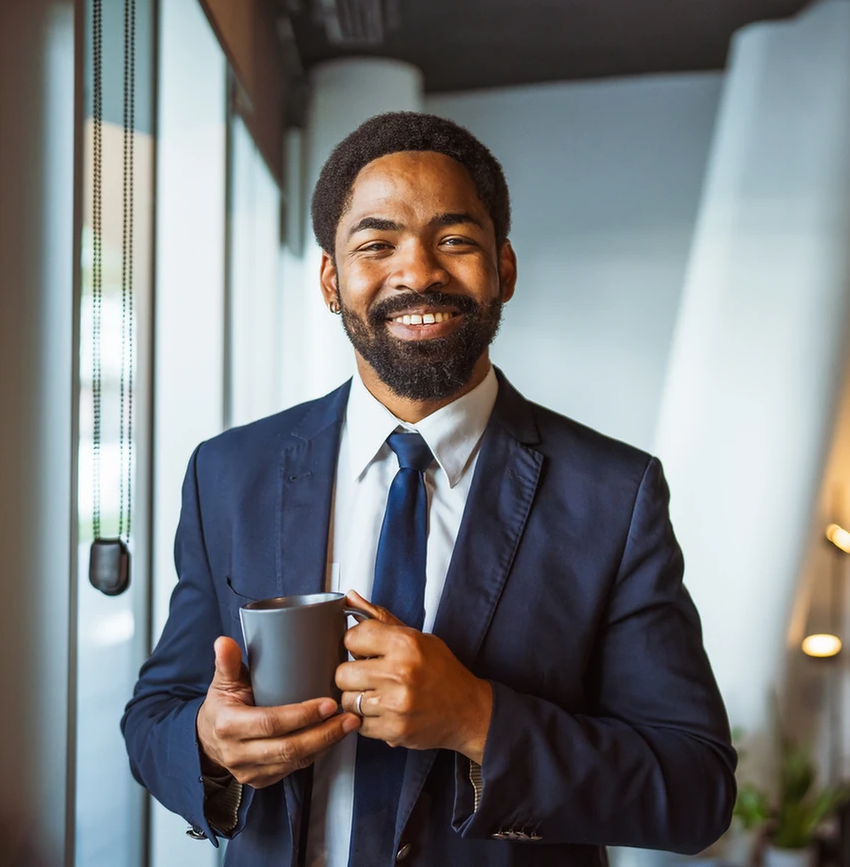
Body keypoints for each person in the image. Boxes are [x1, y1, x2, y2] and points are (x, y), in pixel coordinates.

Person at [122, 112, 735, 867]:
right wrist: (208, 745)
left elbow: (695, 788)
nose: (417, 273)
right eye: (376, 245)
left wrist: (477, 718)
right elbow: (154, 716)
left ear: (504, 268)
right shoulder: (228, 472)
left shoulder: (615, 494)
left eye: (454, 241)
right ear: (330, 280)